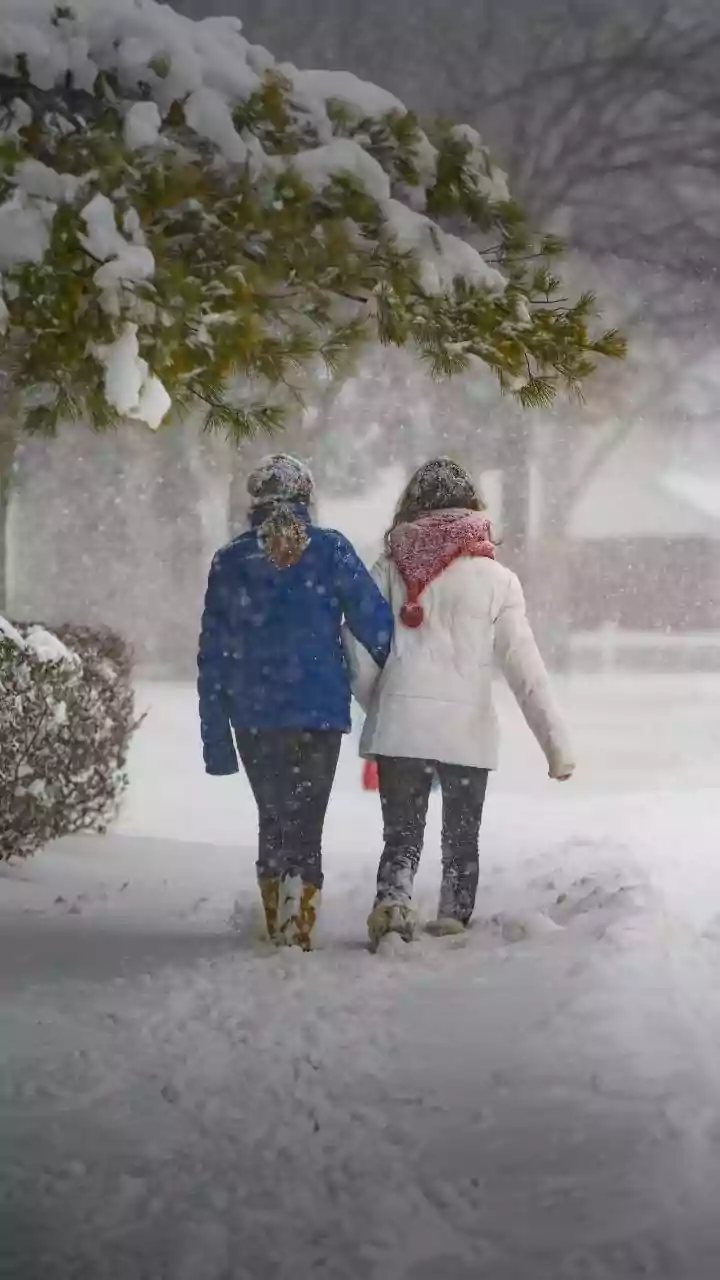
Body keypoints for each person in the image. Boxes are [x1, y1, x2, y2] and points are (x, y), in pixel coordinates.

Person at [344, 458, 575, 951]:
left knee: (401, 835)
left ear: (413, 505)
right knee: (461, 840)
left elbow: (356, 649)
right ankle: (453, 916)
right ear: (473, 508)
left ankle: (394, 903)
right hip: (467, 730)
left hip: (402, 724)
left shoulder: (388, 569)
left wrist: (382, 702)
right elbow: (524, 669)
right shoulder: (497, 580)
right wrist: (556, 745)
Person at [197, 454, 393, 951]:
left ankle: (274, 907)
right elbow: (376, 625)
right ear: (307, 497)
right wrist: (408, 675)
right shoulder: (331, 551)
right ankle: (297, 916)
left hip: (254, 712)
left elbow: (213, 655)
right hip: (318, 711)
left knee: (273, 814)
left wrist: (217, 740)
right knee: (307, 819)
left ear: (255, 502)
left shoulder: (232, 560)